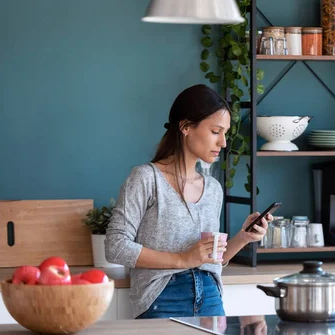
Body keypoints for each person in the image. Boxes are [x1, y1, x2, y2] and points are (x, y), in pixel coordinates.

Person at [104, 84, 271, 320]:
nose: (223, 143)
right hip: (162, 296)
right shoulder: (145, 178)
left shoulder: (213, 188)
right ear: (185, 127)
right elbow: (116, 246)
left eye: (225, 133)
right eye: (215, 131)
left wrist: (244, 237)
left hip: (211, 297)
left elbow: (213, 258)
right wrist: (182, 259)